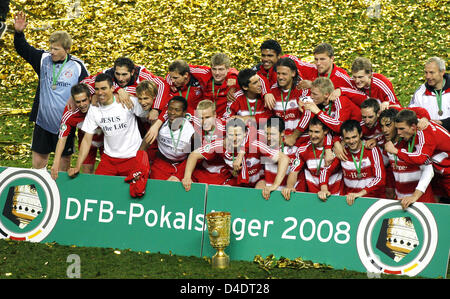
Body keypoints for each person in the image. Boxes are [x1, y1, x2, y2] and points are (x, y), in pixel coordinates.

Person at [13, 11, 89, 170]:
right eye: (51, 48)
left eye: (55, 49)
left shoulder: (77, 66)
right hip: (42, 122)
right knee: (38, 165)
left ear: (67, 49)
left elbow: (88, 89)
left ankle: (59, 194)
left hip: (65, 123)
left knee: (62, 166)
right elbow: (23, 49)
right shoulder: (43, 59)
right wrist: (19, 33)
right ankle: (39, 193)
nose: (52, 52)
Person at [67, 73, 148, 178]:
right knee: (98, 190)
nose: (100, 93)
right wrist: (77, 166)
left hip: (132, 157)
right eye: (97, 89)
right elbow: (87, 140)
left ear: (112, 88)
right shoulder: (94, 109)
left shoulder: (127, 101)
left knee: (134, 191)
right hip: (109, 159)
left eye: (104, 88)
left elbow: (149, 113)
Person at [384, 109, 450, 203]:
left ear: (413, 127)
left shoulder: (425, 134)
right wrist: (389, 105)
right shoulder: (414, 121)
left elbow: (421, 158)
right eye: (397, 128)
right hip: (439, 172)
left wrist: (396, 151)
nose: (398, 132)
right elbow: (419, 110)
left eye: (402, 129)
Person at [81, 57, 169, 122]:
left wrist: (156, 109)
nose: (120, 78)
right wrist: (118, 90)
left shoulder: (142, 74)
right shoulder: (108, 74)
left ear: (132, 72)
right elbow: (85, 83)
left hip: (145, 115)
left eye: (124, 74)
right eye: (117, 74)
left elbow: (162, 85)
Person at [380, 108, 435, 208]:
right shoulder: (388, 146)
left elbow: (429, 170)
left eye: (388, 125)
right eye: (382, 126)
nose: (384, 130)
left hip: (422, 202)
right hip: (400, 202)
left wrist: (414, 196)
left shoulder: (415, 143)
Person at [282, 116, 343, 201]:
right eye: (310, 131)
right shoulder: (303, 149)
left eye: (317, 132)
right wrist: (289, 187)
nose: (313, 135)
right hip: (313, 198)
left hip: (337, 197)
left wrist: (324, 190)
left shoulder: (335, 149)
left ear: (325, 131)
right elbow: (294, 172)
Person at [51, 83, 104, 180]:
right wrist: (56, 163)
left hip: (106, 141)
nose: (82, 105)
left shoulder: (100, 102)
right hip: (87, 142)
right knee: (87, 172)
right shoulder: (70, 113)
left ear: (90, 97)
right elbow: (62, 139)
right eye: (78, 102)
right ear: (73, 101)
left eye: (84, 100)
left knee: (107, 173)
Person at [145, 96, 195, 182]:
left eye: (177, 110)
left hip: (183, 165)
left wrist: (179, 175)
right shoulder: (159, 125)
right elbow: (145, 145)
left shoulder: (192, 131)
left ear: (184, 113)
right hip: (161, 164)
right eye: (170, 109)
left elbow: (195, 155)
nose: (172, 112)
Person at [338, 120, 386, 205]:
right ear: (343, 139)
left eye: (354, 137)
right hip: (350, 201)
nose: (351, 141)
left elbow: (380, 178)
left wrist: (360, 194)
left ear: (360, 134)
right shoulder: (341, 151)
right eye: (347, 138)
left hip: (371, 201)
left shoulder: (371, 149)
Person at [270, 57, 311, 147]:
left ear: (293, 73)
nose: (280, 77)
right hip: (280, 142)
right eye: (278, 73)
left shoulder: (303, 90)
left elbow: (308, 115)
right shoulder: (272, 91)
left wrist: (294, 136)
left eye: (284, 74)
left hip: (300, 141)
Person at [189, 53, 239, 118]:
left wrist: (233, 75)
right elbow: (184, 67)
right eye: (214, 69)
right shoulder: (205, 74)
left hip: (224, 121)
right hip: (204, 119)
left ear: (227, 69)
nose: (217, 73)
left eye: (221, 69)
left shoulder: (233, 80)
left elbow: (247, 76)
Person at [409, 57, 450, 131]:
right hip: (430, 137)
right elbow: (411, 114)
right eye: (426, 72)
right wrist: (421, 120)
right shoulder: (420, 92)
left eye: (431, 72)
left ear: (442, 72)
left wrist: (443, 123)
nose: (428, 76)